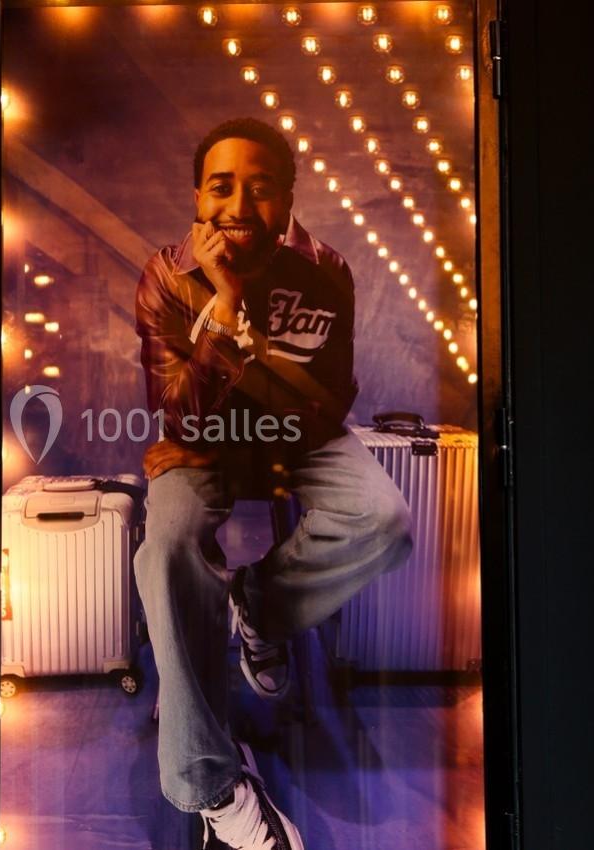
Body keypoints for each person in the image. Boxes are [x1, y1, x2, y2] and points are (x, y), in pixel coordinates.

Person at [133, 117, 414, 850]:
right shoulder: (166, 275)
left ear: (290, 196)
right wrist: (222, 305)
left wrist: (269, 399)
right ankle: (212, 787)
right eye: (221, 187)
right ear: (197, 196)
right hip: (201, 447)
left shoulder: (328, 271)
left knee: (383, 517)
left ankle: (258, 605)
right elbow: (178, 414)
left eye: (260, 189)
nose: (238, 206)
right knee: (166, 548)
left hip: (295, 436)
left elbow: (331, 402)